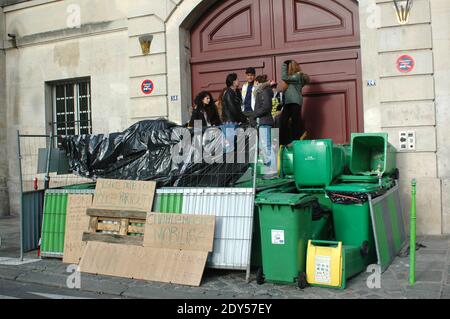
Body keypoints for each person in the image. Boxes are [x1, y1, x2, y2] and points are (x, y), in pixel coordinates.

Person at [248, 75, 277, 179]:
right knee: (264, 146)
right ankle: (269, 170)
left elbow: (266, 107)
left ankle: (271, 171)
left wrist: (254, 115)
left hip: (264, 121)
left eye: (255, 83)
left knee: (266, 146)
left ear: (257, 82)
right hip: (263, 122)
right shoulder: (263, 91)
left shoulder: (263, 91)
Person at [280, 60, 310, 146]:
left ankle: (296, 140)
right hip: (289, 102)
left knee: (295, 121)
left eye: (288, 67)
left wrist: (284, 65)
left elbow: (284, 77)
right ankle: (285, 141)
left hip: (295, 102)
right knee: (283, 121)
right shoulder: (291, 79)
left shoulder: (297, 76)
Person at [221, 73, 247, 153]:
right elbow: (233, 109)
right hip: (230, 123)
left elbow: (239, 108)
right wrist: (243, 118)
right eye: (237, 79)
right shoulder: (228, 93)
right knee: (230, 147)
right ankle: (227, 164)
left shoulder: (237, 92)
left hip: (236, 123)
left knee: (236, 147)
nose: (238, 81)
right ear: (233, 81)